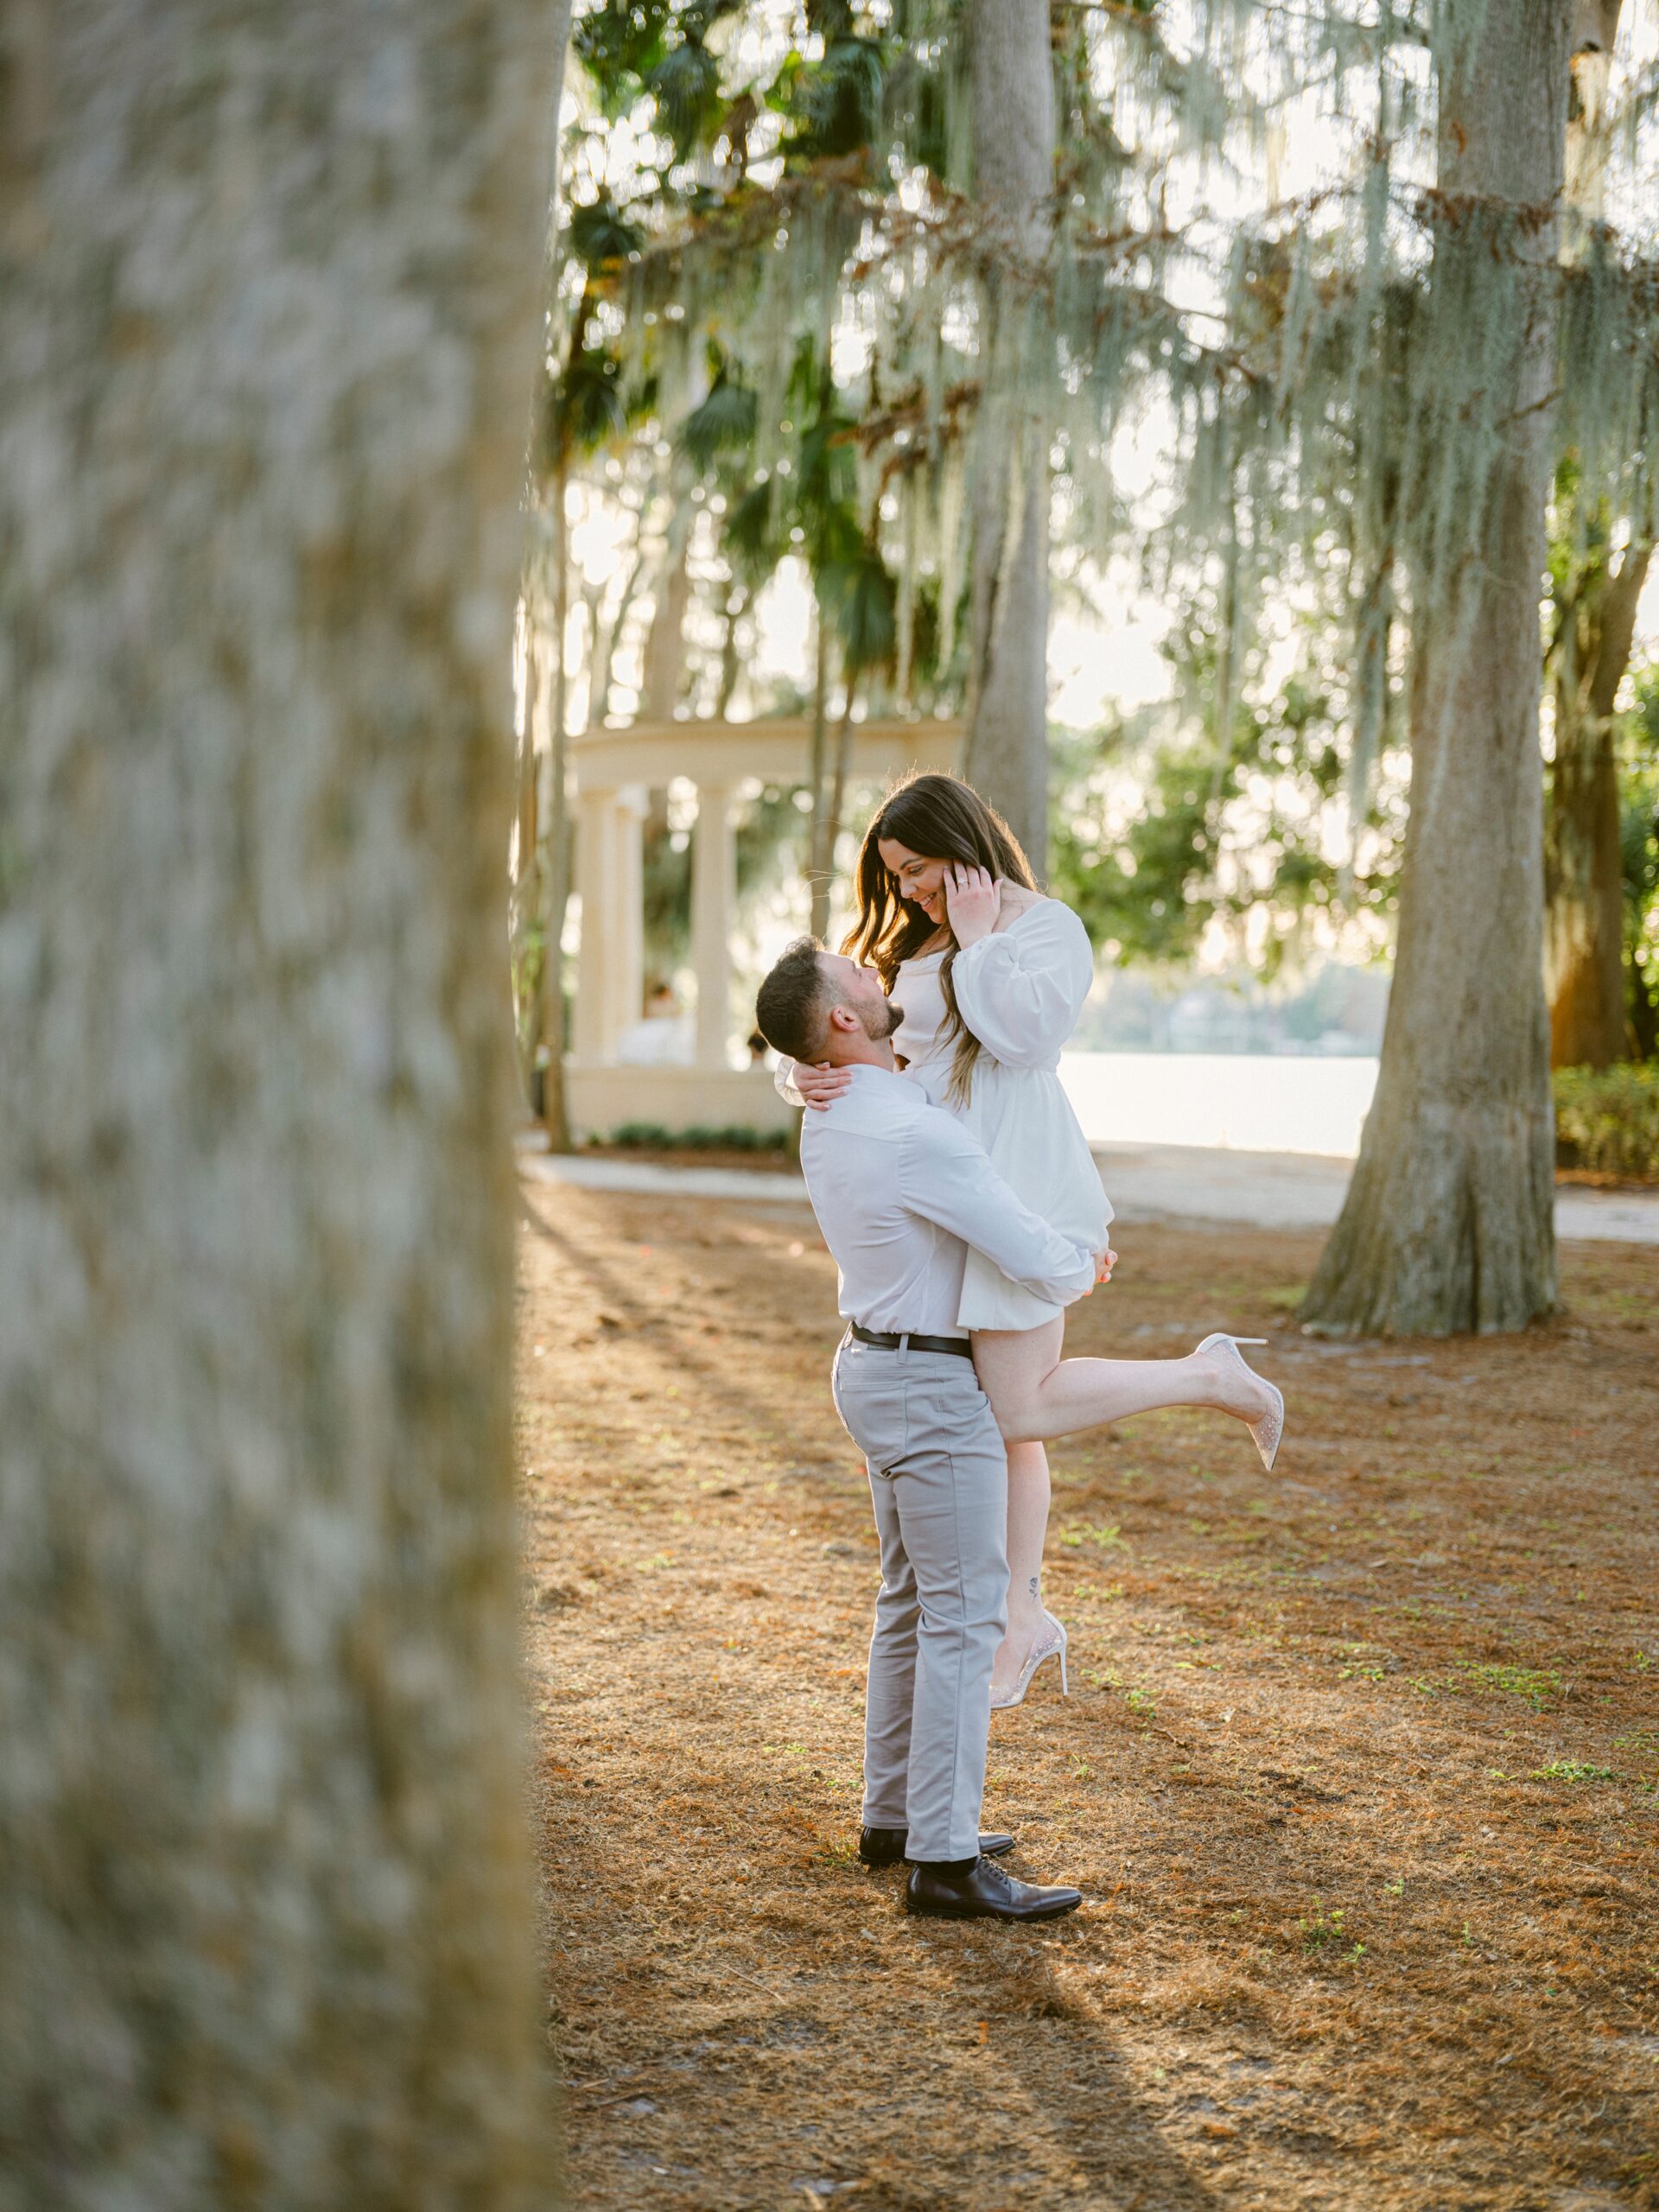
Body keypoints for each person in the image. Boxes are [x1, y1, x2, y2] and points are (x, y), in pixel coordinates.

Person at [754, 939, 1283, 1920]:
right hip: (925, 1381)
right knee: (962, 1613)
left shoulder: (840, 1108)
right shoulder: (907, 1134)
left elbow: (907, 1109)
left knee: (910, 1598)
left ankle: (896, 1817)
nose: (877, 975)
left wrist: (795, 1073)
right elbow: (1022, 1246)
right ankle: (946, 1860)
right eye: (859, 978)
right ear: (837, 1023)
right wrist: (1081, 1259)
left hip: (872, 1366)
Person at [778, 772, 1283, 1710]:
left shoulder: (1046, 930)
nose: (912, 893)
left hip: (1023, 1190)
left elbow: (1023, 1040)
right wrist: (797, 1073)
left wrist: (977, 943)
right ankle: (1020, 1610)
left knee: (1016, 1409)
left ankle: (1208, 1378)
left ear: (962, 842)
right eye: (897, 878)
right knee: (997, 1415)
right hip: (947, 1203)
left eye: (920, 870)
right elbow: (843, 1027)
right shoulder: (898, 944)